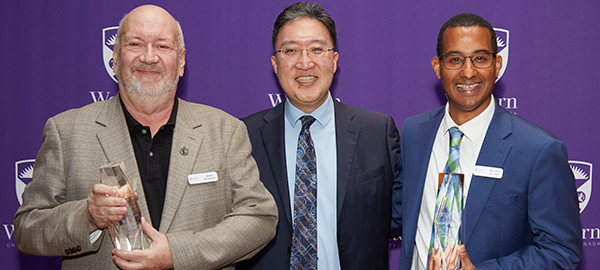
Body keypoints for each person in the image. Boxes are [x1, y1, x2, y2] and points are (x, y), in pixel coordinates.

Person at [13, 5, 277, 270]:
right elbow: (27, 229)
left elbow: (260, 216)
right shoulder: (66, 131)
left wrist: (178, 253)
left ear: (181, 60)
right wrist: (88, 217)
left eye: (162, 46)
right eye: (135, 44)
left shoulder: (224, 130)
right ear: (115, 57)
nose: (149, 57)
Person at [391, 13, 582, 270]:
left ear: (497, 65)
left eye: (480, 59)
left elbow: (561, 251)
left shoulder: (538, 150)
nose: (468, 72)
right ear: (438, 67)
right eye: (455, 60)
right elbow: (396, 211)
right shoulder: (415, 132)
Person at [237, 2, 400, 270]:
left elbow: (400, 214)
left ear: (334, 60)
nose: (305, 62)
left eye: (316, 49)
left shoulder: (377, 131)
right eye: (291, 51)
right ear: (275, 64)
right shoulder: (244, 135)